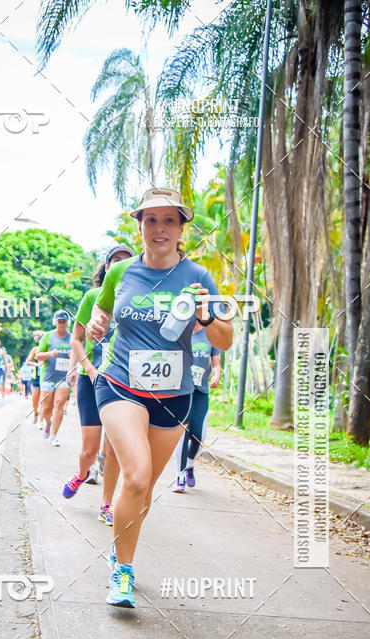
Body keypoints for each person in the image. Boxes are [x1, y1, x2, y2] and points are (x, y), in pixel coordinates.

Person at [88, 187, 232, 607]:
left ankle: (122, 545)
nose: (159, 228)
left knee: (145, 487)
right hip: (120, 384)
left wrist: (206, 315)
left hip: (175, 395)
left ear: (181, 228)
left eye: (169, 219)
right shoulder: (121, 273)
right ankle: (123, 572)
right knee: (134, 474)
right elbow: (103, 314)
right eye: (151, 219)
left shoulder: (199, 277)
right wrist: (99, 325)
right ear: (140, 226)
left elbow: (224, 336)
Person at [64, 244, 134, 525]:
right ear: (107, 268)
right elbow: (76, 340)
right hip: (91, 380)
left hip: (123, 382)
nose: (120, 265)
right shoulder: (93, 296)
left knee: (114, 447)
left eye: (126, 261)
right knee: (90, 450)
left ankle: (107, 504)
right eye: (115, 261)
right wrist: (90, 370)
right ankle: (82, 473)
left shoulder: (138, 299)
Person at [173, 323, 221, 492]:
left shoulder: (210, 334)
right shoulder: (180, 331)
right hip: (182, 391)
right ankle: (179, 476)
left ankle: (190, 465)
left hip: (201, 392)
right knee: (182, 434)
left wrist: (216, 374)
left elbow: (215, 364)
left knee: (198, 436)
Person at [36, 311, 72, 446]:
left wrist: (72, 355)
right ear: (55, 322)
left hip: (64, 377)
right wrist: (50, 354)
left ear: (68, 323)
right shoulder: (48, 336)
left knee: (59, 405)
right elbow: (38, 355)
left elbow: (80, 356)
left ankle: (54, 435)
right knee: (46, 408)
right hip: (48, 376)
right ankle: (48, 424)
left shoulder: (72, 338)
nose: (62, 324)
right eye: (59, 321)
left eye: (64, 321)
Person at [26, 330, 44, 425]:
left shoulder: (50, 350)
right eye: (40, 339)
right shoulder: (35, 350)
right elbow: (27, 361)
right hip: (36, 377)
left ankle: (41, 420)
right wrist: (37, 364)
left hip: (46, 377)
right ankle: (35, 413)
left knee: (43, 400)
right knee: (35, 401)